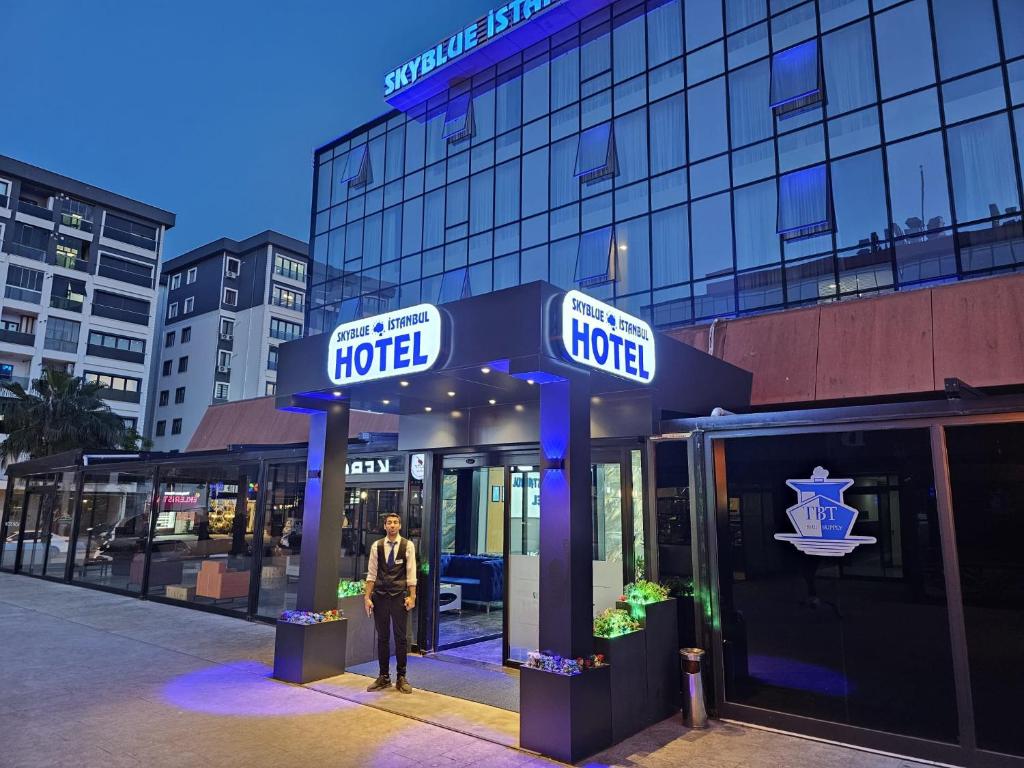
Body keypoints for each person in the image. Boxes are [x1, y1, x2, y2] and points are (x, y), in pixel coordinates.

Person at [364, 513, 417, 693]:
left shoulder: (407, 545)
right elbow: (371, 574)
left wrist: (412, 596)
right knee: (383, 637)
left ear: (400, 526)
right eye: (389, 523)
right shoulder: (376, 546)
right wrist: (367, 597)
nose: (392, 526)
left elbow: (411, 574)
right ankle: (384, 676)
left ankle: (401, 677)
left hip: (399, 596)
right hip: (379, 595)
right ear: (385, 526)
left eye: (395, 523)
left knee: (401, 637)